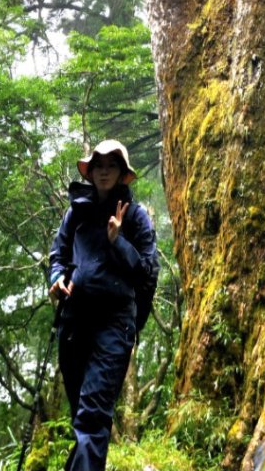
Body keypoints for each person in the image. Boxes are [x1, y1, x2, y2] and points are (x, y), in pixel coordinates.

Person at [49, 139, 159, 471]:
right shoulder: (76, 212)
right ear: (91, 171)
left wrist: (118, 241)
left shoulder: (135, 217)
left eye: (112, 166)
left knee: (93, 416)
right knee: (82, 416)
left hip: (113, 326)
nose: (104, 172)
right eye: (99, 165)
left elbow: (147, 273)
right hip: (74, 323)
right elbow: (59, 254)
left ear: (122, 173)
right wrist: (56, 277)